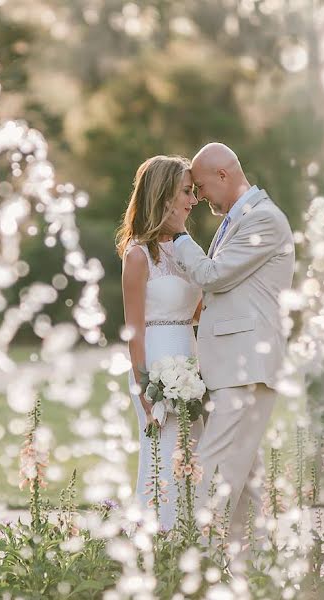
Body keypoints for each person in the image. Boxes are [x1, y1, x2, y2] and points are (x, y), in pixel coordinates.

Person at [170, 142, 295, 542]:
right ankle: (259, 566)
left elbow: (213, 275)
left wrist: (178, 235)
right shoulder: (237, 219)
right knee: (245, 481)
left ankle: (190, 557)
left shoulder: (264, 220)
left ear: (223, 175)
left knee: (212, 468)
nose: (199, 196)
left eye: (202, 187)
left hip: (247, 368)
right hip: (236, 366)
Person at [117, 154, 204, 531]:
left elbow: (199, 310)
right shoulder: (138, 256)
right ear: (163, 195)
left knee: (194, 459)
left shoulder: (187, 249)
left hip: (191, 360)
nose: (193, 200)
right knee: (161, 460)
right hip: (156, 366)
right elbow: (134, 331)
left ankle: (194, 546)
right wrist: (143, 391)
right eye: (186, 191)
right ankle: (156, 546)